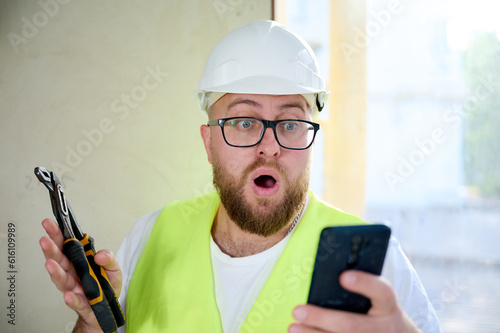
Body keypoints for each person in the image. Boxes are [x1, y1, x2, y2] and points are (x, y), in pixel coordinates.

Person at [40, 20, 441, 333]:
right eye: (245, 121)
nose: (270, 147)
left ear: (312, 138)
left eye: (290, 123)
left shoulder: (372, 263)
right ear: (209, 141)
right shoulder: (149, 239)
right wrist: (91, 326)